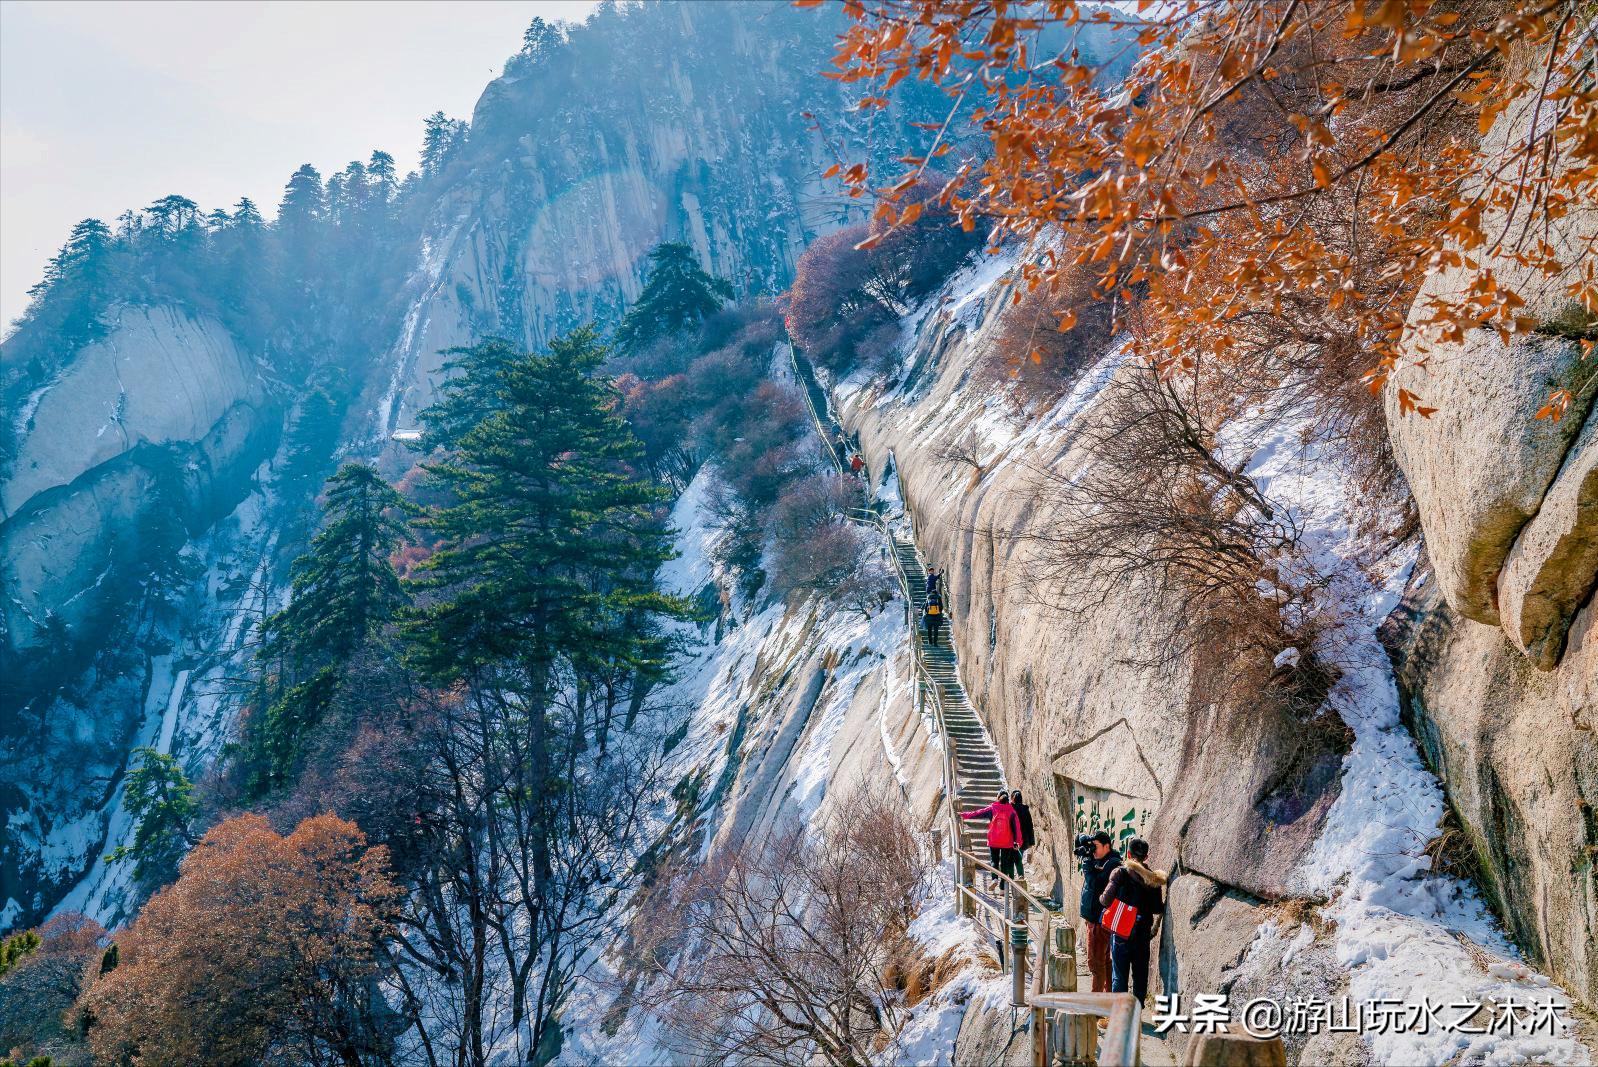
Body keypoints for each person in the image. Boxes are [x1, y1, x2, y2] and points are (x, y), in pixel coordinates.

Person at [1099, 837, 1167, 1006]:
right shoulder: (1154, 880)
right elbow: (1158, 908)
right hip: (1142, 932)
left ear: (1128, 854)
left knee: (1119, 974)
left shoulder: (1120, 873)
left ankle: (1120, 1012)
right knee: (1140, 973)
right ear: (1146, 856)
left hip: (1122, 932)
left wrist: (1103, 898)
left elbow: (1105, 900)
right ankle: (1136, 1010)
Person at [1079, 831, 1121, 994]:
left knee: (1095, 964)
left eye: (1095, 847)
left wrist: (1088, 865)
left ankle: (1095, 1004)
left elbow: (1096, 883)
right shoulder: (1105, 861)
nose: (1092, 851)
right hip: (1096, 918)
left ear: (1106, 846)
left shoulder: (1112, 864)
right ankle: (1107, 997)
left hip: (1099, 921)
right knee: (1104, 961)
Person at [961, 790, 1021, 883]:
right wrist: (1017, 841)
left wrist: (964, 815)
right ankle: (1002, 888)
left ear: (998, 798)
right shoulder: (1012, 811)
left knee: (994, 861)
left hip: (994, 840)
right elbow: (1016, 827)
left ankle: (994, 879)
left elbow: (977, 813)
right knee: (1004, 863)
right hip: (1007, 841)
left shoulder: (992, 808)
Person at [1011, 790, 1036, 876]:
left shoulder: (1010, 809)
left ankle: (1012, 876)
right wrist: (1031, 841)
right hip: (1023, 839)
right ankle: (1020, 875)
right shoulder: (1025, 810)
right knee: (1018, 858)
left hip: (1012, 838)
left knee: (1012, 858)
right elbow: (1030, 826)